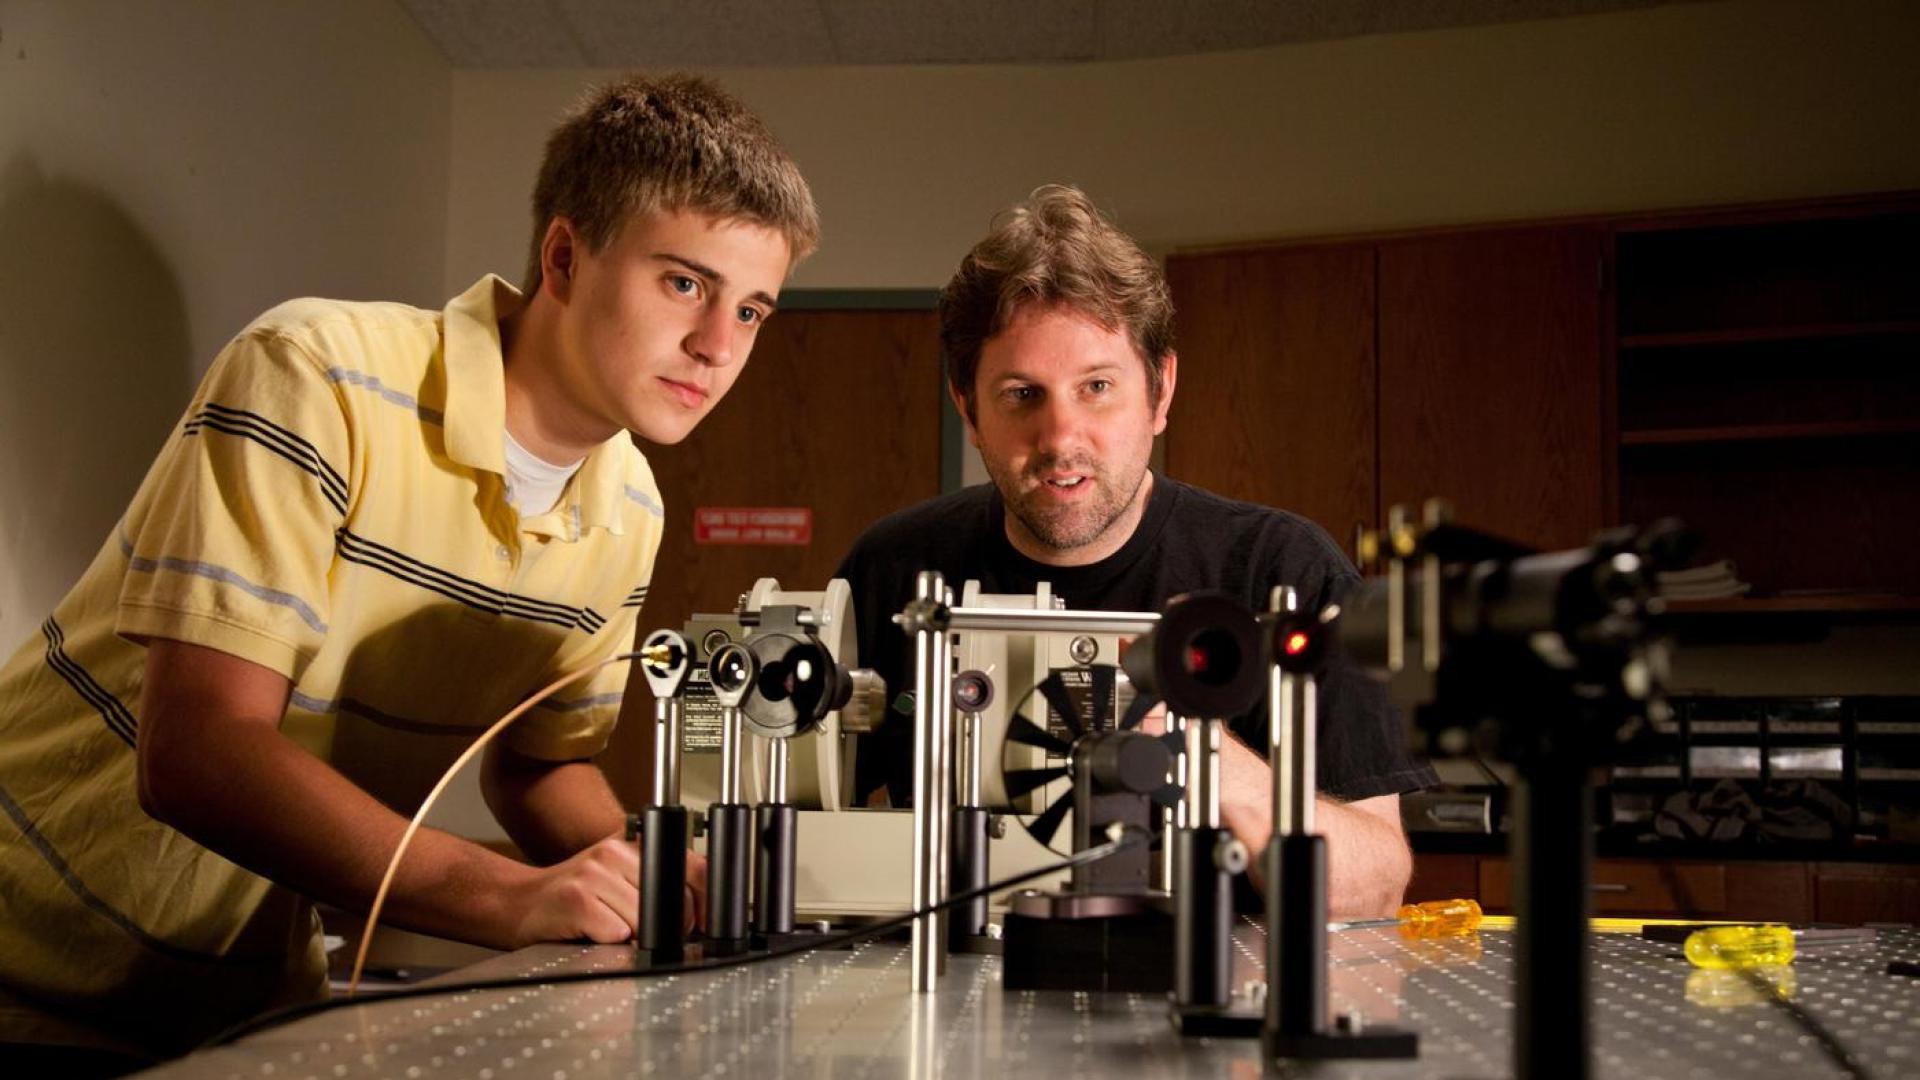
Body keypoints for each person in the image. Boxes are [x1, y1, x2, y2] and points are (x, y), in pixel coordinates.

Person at [0, 74, 817, 1072]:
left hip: (243, 997)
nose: (717, 346)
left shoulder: (629, 509)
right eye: (685, 283)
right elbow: (198, 751)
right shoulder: (317, 374)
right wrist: (510, 897)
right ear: (565, 257)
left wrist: (665, 881)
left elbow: (537, 764)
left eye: (755, 310)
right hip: (23, 961)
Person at [836, 185, 1432, 920]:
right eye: (1023, 394)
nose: (1060, 437)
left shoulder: (1284, 571)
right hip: (943, 997)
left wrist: (1217, 766)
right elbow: (789, 836)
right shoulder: (894, 569)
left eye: (1097, 387)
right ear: (969, 410)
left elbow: (1375, 886)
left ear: (1160, 391)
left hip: (1206, 1007)